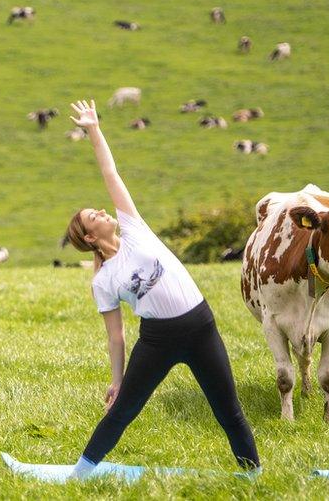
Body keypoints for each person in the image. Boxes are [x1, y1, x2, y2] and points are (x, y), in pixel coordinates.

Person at [64, 98, 259, 477]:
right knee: (122, 410)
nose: (104, 212)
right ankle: (81, 475)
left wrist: (94, 129)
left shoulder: (134, 229)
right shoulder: (102, 280)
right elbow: (116, 336)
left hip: (200, 326)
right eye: (95, 216)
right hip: (158, 340)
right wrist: (117, 381)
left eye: (100, 209)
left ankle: (254, 477)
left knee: (228, 409)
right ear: (89, 237)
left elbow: (110, 172)